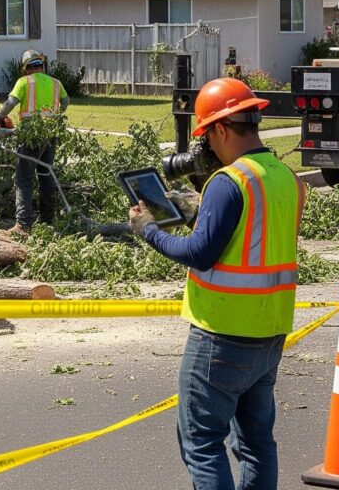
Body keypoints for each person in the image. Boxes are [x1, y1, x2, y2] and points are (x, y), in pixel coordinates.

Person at [128, 77, 307, 490]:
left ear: (222, 129)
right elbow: (253, 237)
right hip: (271, 330)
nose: (205, 148)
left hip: (221, 334)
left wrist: (149, 229)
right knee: (256, 442)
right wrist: (198, 214)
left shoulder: (230, 182)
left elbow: (200, 254)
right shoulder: (287, 179)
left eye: (207, 136)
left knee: (203, 441)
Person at [0, 49, 69, 234]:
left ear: (26, 68)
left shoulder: (24, 82)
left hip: (31, 136)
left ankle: (23, 225)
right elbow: (66, 102)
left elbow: (10, 102)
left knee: (23, 178)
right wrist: (55, 116)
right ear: (42, 64)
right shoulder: (56, 83)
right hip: (51, 134)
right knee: (45, 175)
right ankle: (49, 220)